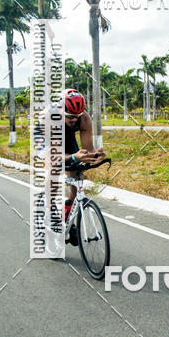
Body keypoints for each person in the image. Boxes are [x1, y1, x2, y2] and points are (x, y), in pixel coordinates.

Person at [63, 89, 104, 241]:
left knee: (77, 177)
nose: (74, 119)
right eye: (70, 116)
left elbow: (87, 149)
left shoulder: (83, 117)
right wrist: (73, 157)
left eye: (77, 116)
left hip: (68, 139)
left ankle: (68, 222)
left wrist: (94, 156)